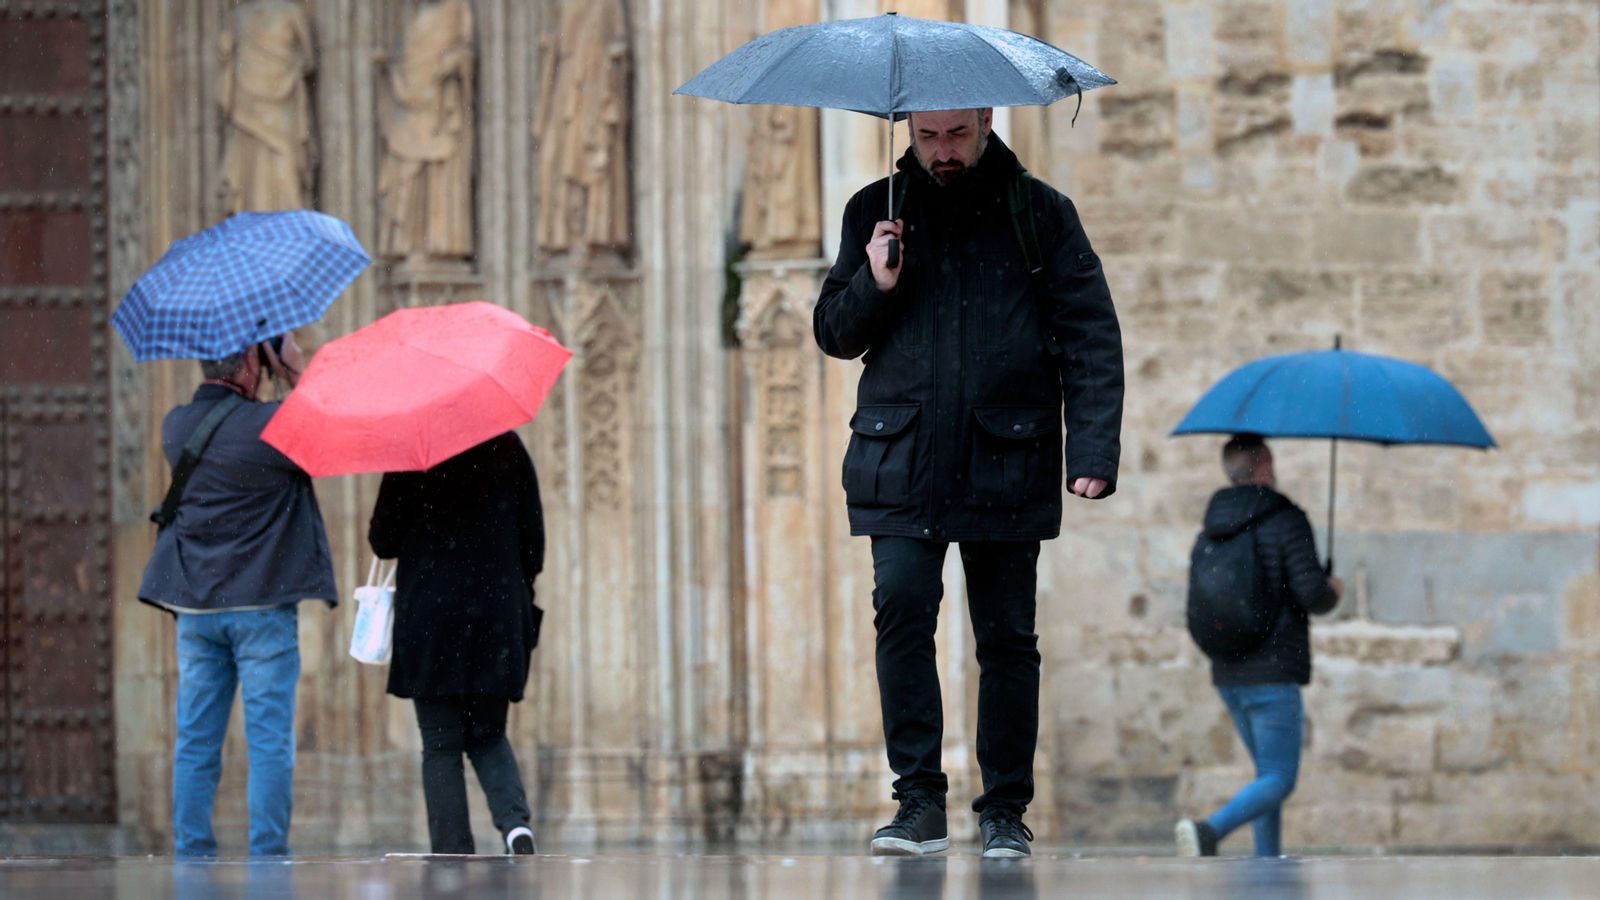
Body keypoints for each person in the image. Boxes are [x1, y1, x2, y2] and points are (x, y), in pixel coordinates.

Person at [813, 108, 1124, 858]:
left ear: (986, 120)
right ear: (910, 129)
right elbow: (834, 331)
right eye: (927, 137)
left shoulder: (1038, 212)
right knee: (903, 612)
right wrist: (875, 282)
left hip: (1004, 456)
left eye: (955, 135)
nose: (942, 152)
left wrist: (1093, 448)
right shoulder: (873, 210)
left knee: (1008, 640)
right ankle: (918, 801)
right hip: (902, 457)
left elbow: (1091, 334)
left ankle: (1004, 812)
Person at [138, 332, 335, 857]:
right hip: (261, 608)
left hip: (198, 609)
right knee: (269, 740)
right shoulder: (272, 427)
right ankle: (268, 856)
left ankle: (192, 852)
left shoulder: (176, 427)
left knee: (196, 740)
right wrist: (295, 370)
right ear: (253, 362)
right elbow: (327, 430)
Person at [368, 431, 545, 855]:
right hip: (495, 612)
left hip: (432, 616)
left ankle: (451, 852)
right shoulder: (509, 446)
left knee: (442, 741)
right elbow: (534, 544)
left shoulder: (412, 452)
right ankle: (516, 827)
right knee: (487, 732)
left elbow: (383, 540)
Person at [1175, 434, 1343, 857]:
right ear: (1265, 463)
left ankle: (1267, 862)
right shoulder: (1285, 519)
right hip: (1273, 669)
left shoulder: (1210, 528)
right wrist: (1331, 588)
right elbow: (1313, 597)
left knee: (1265, 776)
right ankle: (1208, 832)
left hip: (1228, 671)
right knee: (1279, 778)